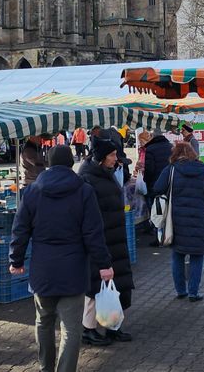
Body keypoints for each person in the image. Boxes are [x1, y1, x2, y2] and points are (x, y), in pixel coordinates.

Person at [10, 146, 114, 372]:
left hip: (43, 269)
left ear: (47, 163)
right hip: (73, 270)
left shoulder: (32, 191)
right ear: (70, 164)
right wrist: (104, 264)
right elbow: (93, 233)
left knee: (44, 321)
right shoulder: (84, 191)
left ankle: (45, 368)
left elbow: (20, 229)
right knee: (71, 328)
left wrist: (16, 260)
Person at [78, 140, 135, 345]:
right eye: (111, 155)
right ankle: (88, 329)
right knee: (95, 287)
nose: (115, 158)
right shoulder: (88, 178)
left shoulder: (105, 173)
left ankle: (113, 326)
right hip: (100, 239)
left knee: (115, 286)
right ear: (101, 158)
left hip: (115, 239)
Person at [153, 141, 204, 301]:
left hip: (176, 220)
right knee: (197, 256)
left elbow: (157, 188)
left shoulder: (171, 169)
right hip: (199, 220)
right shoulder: (203, 170)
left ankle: (180, 291)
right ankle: (193, 293)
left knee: (178, 255)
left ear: (175, 154)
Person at [142, 130, 173, 247]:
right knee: (168, 210)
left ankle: (158, 238)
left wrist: (146, 180)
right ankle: (169, 235)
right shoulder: (170, 147)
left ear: (152, 137)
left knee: (157, 211)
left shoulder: (150, 149)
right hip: (169, 184)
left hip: (155, 185)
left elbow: (149, 170)